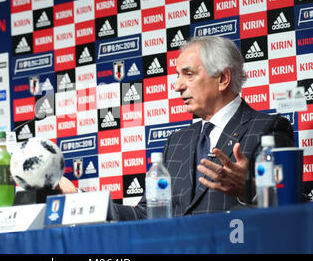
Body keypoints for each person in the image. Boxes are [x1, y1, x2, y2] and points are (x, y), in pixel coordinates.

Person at [59, 36, 295, 219]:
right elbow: (147, 214)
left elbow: (291, 215)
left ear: (223, 78)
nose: (177, 86)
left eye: (188, 74)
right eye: (177, 75)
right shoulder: (177, 142)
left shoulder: (269, 129)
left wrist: (248, 190)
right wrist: (78, 199)